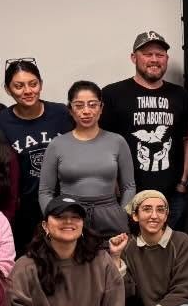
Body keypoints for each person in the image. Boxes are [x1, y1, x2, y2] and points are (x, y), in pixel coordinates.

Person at [101, 30, 188, 228]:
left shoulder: (180, 95)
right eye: (147, 54)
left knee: (170, 252)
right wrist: (114, 185)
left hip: (171, 195)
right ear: (134, 58)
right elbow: (102, 143)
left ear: (166, 59)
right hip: (127, 195)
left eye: (159, 55)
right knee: (128, 253)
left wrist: (183, 183)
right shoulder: (112, 94)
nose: (154, 60)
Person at [37, 81, 134, 238]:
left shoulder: (117, 141)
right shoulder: (57, 144)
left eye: (92, 105)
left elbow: (129, 186)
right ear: (70, 110)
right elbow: (45, 191)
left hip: (110, 217)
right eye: (79, 105)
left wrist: (122, 215)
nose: (86, 111)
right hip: (70, 216)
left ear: (101, 108)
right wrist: (54, 218)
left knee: (113, 260)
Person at [0, 58, 74, 254]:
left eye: (33, 84)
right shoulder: (1, 121)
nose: (28, 91)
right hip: (25, 209)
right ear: (7, 89)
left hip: (63, 203)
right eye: (19, 86)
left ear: (41, 84)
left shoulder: (61, 113)